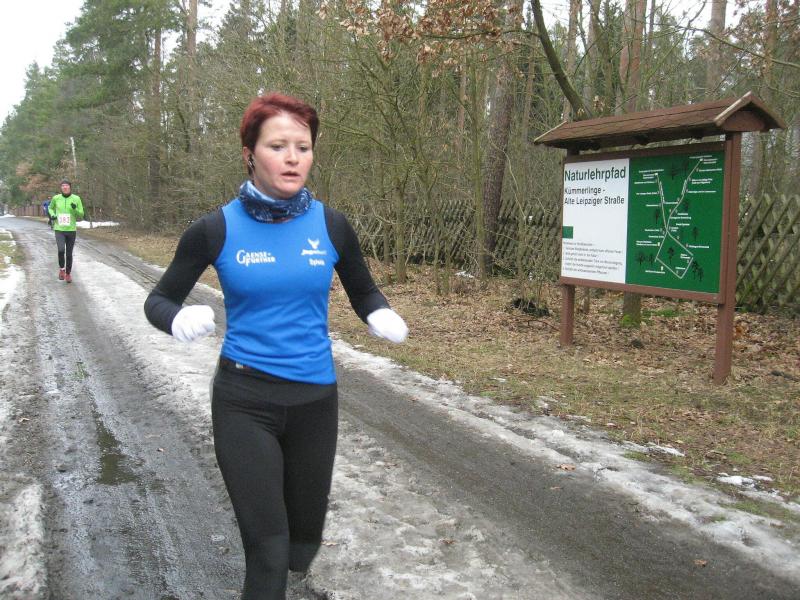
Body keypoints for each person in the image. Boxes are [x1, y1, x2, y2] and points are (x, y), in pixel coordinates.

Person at [144, 92, 408, 599]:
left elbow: (363, 288)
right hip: (245, 401)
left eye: (303, 148)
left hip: (315, 401)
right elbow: (158, 300)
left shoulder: (331, 225)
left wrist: (378, 311)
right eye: (278, 146)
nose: (293, 158)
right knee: (268, 550)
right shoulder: (215, 229)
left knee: (301, 547)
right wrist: (175, 318)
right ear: (250, 153)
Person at [48, 179, 85, 282]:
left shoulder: (76, 198)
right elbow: (50, 208)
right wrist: (53, 215)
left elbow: (81, 214)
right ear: (61, 187)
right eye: (63, 185)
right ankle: (62, 269)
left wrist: (75, 209)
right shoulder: (56, 198)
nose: (65, 187)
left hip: (71, 230)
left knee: (69, 253)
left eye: (67, 185)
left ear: (70, 187)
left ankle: (68, 274)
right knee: (61, 250)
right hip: (59, 229)